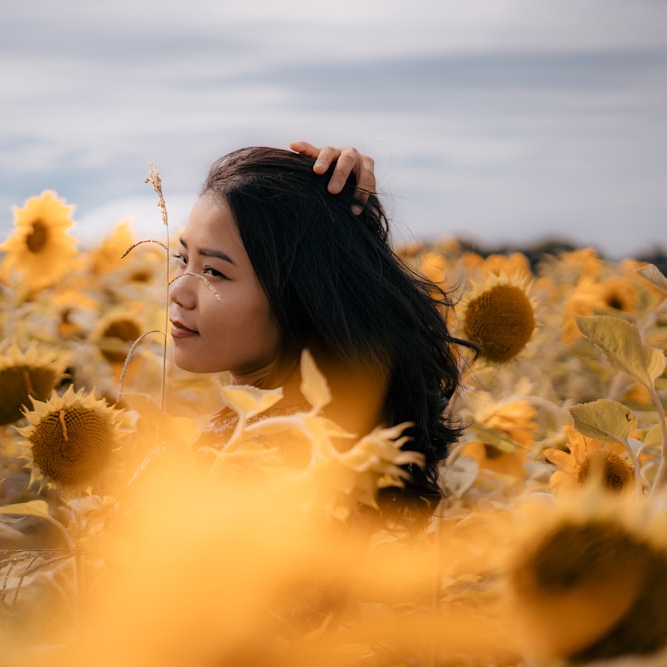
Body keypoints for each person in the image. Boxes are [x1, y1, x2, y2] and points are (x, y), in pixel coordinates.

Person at [168, 141, 464, 528]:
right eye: (183, 259)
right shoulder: (326, 436)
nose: (177, 291)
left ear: (300, 299)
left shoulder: (267, 466)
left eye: (214, 272)